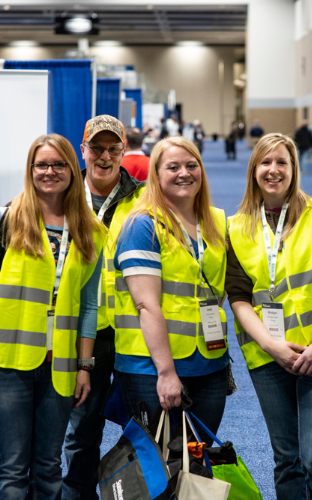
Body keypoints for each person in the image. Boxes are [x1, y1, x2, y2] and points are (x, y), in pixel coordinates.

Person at [227, 133, 312, 499]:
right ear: (254, 169)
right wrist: (273, 347)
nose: (273, 170)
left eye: (281, 163)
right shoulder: (236, 227)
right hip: (269, 356)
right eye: (265, 162)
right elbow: (238, 297)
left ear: (294, 169)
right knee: (287, 458)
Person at [0, 134, 104, 499]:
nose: (50, 172)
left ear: (72, 171)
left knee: (48, 466)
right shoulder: (9, 220)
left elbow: (90, 306)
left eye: (59, 164)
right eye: (41, 164)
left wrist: (85, 366)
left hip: (60, 364)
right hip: (9, 363)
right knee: (11, 469)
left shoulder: (90, 231)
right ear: (30, 170)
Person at [113, 136, 229, 443]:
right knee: (161, 468)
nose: (184, 173)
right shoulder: (142, 225)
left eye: (192, 165)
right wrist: (166, 373)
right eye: (173, 167)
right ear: (156, 174)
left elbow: (217, 289)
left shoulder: (215, 221)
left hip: (208, 361)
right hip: (151, 367)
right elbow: (146, 305)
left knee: (197, 461)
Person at [63, 115, 144, 500]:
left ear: (123, 151)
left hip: (131, 332)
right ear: (84, 150)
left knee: (145, 427)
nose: (105, 156)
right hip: (81, 333)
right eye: (97, 148)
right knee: (82, 429)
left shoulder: (145, 198)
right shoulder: (62, 195)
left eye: (114, 148)